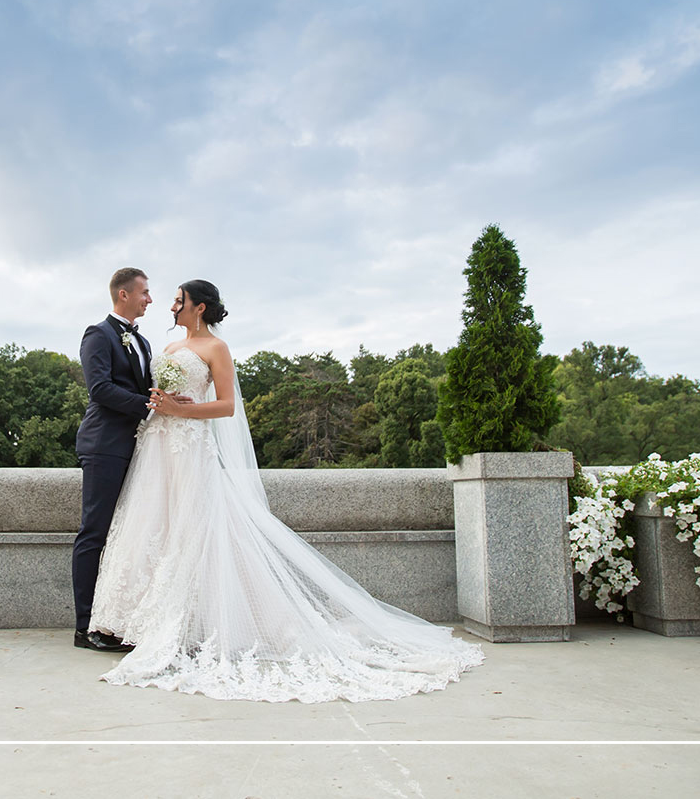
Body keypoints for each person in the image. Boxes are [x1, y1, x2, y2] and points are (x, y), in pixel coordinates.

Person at [88, 280, 486, 702]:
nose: (170, 305)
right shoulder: (166, 347)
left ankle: (190, 625)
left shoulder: (216, 349)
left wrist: (182, 410)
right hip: (157, 448)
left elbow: (227, 406)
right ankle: (137, 622)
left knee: (194, 529)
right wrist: (161, 403)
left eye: (178, 300)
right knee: (152, 526)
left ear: (198, 307)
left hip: (190, 449)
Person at [70, 267, 162, 653]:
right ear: (124, 294)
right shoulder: (99, 334)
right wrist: (149, 405)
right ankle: (85, 628)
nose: (150, 299)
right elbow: (100, 389)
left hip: (138, 447)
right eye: (144, 292)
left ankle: (114, 622)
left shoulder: (143, 341)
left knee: (127, 535)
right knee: (95, 532)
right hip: (104, 444)